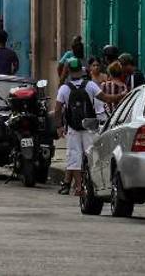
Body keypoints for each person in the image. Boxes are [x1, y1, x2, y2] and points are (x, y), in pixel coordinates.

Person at [53, 58, 100, 197]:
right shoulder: (91, 85)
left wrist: (59, 126)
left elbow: (57, 110)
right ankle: (90, 185)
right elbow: (105, 98)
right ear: (82, 70)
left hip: (73, 129)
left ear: (68, 72)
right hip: (89, 127)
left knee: (74, 157)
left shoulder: (64, 88)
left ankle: (79, 187)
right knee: (90, 156)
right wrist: (119, 96)